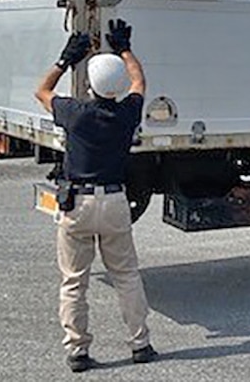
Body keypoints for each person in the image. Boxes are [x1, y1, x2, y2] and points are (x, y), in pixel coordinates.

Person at [34, 19, 157, 372]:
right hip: (116, 202)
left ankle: (78, 352)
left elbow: (42, 92)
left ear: (88, 84)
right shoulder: (127, 113)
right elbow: (139, 82)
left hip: (78, 204)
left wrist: (65, 59)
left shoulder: (75, 114)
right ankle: (140, 344)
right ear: (117, 87)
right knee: (127, 275)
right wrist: (124, 49)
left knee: (74, 281)